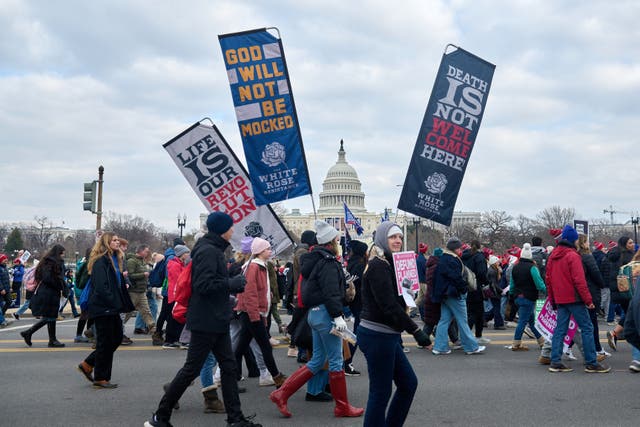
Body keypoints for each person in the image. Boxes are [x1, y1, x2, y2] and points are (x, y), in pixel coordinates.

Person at [145, 211, 261, 427]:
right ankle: (160, 417)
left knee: (228, 367)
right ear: (222, 230)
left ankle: (235, 418)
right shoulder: (209, 251)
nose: (233, 230)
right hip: (207, 319)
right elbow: (204, 285)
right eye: (230, 227)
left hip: (214, 317)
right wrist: (231, 284)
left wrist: (228, 282)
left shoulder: (210, 249)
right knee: (192, 369)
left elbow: (209, 282)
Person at [270, 220, 364, 419]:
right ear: (330, 241)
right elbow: (331, 292)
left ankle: (282, 393)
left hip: (314, 314)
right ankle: (342, 406)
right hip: (326, 315)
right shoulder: (328, 263)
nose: (338, 241)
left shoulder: (313, 261)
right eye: (336, 239)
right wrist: (338, 315)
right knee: (336, 360)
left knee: (318, 360)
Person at [356, 221, 430, 427]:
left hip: (387, 334)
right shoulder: (378, 266)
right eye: (392, 237)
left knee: (408, 384)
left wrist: (408, 292)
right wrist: (416, 331)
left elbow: (397, 301)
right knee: (380, 392)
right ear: (382, 239)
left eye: (399, 237)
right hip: (377, 335)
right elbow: (388, 307)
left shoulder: (390, 263)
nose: (398, 240)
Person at [546, 225, 610, 373]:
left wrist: (553, 300)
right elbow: (579, 281)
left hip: (561, 298)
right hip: (574, 299)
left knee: (560, 330)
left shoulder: (553, 256)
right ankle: (591, 362)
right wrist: (588, 300)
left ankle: (555, 361)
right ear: (573, 240)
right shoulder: (573, 256)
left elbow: (548, 280)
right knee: (587, 328)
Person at [77, 233, 135, 388]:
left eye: (117, 240)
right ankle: (101, 378)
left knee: (115, 339)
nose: (117, 242)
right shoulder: (100, 261)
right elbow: (102, 287)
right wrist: (114, 303)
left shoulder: (115, 259)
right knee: (105, 342)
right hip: (103, 306)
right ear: (107, 242)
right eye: (114, 240)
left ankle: (88, 364)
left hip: (113, 306)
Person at [234, 237, 287, 387]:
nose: (270, 251)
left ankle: (231, 375)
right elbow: (249, 292)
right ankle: (276, 376)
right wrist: (255, 315)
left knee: (241, 347)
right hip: (252, 312)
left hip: (253, 312)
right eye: (267, 249)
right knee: (265, 345)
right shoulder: (253, 267)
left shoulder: (259, 265)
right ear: (259, 251)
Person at [431, 237, 485, 355]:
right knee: (462, 321)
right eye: (460, 248)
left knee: (444, 320)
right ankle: (471, 347)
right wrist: (464, 288)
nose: (461, 250)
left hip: (444, 294)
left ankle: (440, 347)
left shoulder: (443, 259)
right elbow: (456, 277)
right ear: (455, 249)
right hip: (453, 293)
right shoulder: (452, 260)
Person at [20, 244, 67, 347]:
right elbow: (48, 278)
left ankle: (52, 340)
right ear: (58, 253)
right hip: (49, 292)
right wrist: (59, 285)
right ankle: (29, 333)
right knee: (49, 316)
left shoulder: (47, 261)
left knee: (51, 316)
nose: (63, 255)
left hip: (49, 291)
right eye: (63, 253)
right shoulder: (51, 263)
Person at [576, 234, 609, 358]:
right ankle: (597, 350)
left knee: (573, 325)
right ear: (583, 243)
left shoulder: (576, 256)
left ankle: (566, 349)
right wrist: (602, 284)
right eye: (587, 242)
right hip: (590, 291)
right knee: (591, 323)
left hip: (578, 293)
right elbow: (595, 273)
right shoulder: (587, 257)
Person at [509, 243, 546, 351]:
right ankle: (516, 343)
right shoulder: (532, 268)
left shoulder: (515, 267)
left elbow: (512, 284)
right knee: (523, 321)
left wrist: (512, 296)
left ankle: (541, 341)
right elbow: (539, 284)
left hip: (517, 297)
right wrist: (546, 290)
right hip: (528, 297)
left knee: (531, 321)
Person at [605, 236, 635, 351]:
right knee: (631, 314)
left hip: (617, 290)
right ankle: (615, 333)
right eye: (630, 242)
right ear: (625, 244)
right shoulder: (628, 256)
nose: (632, 244)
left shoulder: (614, 255)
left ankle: (616, 334)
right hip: (628, 291)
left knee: (629, 313)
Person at [343, 239, 368, 376]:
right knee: (358, 333)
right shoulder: (360, 265)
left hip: (354, 302)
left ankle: (346, 360)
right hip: (361, 302)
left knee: (360, 331)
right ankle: (347, 361)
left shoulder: (351, 263)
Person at [123, 245, 156, 337]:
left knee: (146, 311)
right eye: (146, 251)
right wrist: (143, 274)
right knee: (127, 313)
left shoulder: (141, 261)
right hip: (133, 291)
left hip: (141, 291)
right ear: (140, 251)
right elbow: (129, 276)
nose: (147, 253)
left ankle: (153, 329)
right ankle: (116, 327)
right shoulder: (131, 261)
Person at [461, 240, 490, 344]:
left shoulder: (464, 256)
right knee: (478, 313)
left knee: (469, 313)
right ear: (479, 246)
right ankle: (477, 336)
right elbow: (482, 273)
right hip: (476, 287)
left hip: (466, 286)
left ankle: (465, 335)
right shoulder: (479, 257)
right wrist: (486, 283)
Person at [161, 245, 190, 348]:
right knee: (173, 318)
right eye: (187, 253)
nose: (188, 254)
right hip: (175, 295)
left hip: (177, 294)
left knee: (177, 318)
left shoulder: (180, 264)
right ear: (181, 254)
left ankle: (175, 339)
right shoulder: (174, 264)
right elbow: (179, 280)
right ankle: (169, 340)